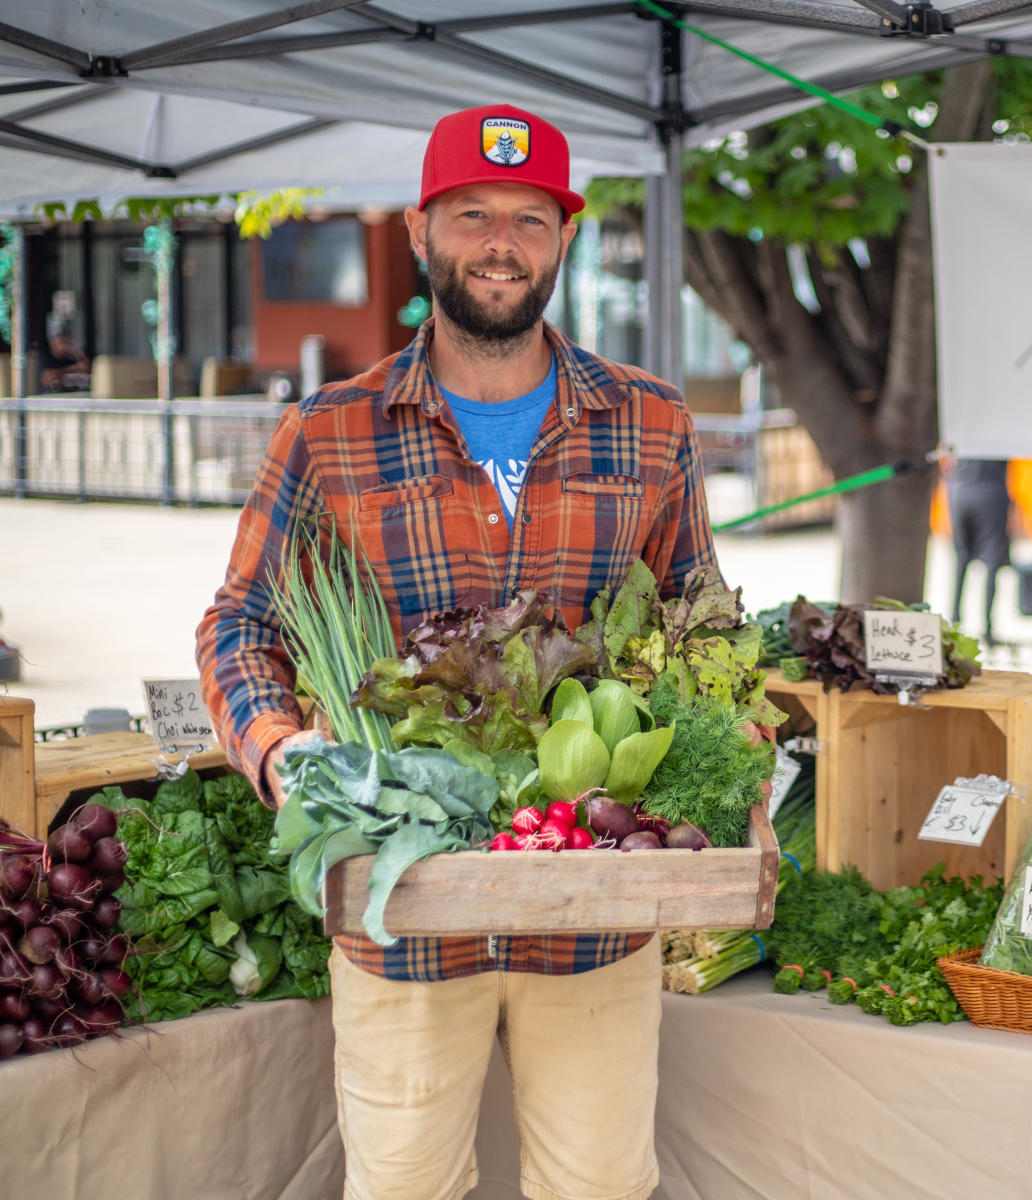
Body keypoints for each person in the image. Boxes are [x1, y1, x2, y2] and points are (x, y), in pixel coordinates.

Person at [196, 103, 719, 1200]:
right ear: (424, 229)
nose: (500, 243)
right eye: (473, 214)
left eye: (530, 218)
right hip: (403, 903)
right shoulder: (329, 431)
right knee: (404, 1188)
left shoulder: (650, 423)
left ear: (565, 237)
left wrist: (727, 711)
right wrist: (277, 746)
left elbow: (695, 617)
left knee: (602, 1187)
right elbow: (239, 622)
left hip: (591, 910)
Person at [945, 456, 1010, 643]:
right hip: (991, 490)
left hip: (959, 489)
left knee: (961, 559)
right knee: (991, 561)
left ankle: (955, 620)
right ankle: (988, 628)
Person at [37, 325, 89, 392]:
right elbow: (47, 376)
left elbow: (85, 367)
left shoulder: (68, 358)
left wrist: (76, 352)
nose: (64, 346)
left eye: (65, 342)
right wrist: (71, 370)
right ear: (53, 344)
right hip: (50, 395)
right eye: (61, 343)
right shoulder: (46, 358)